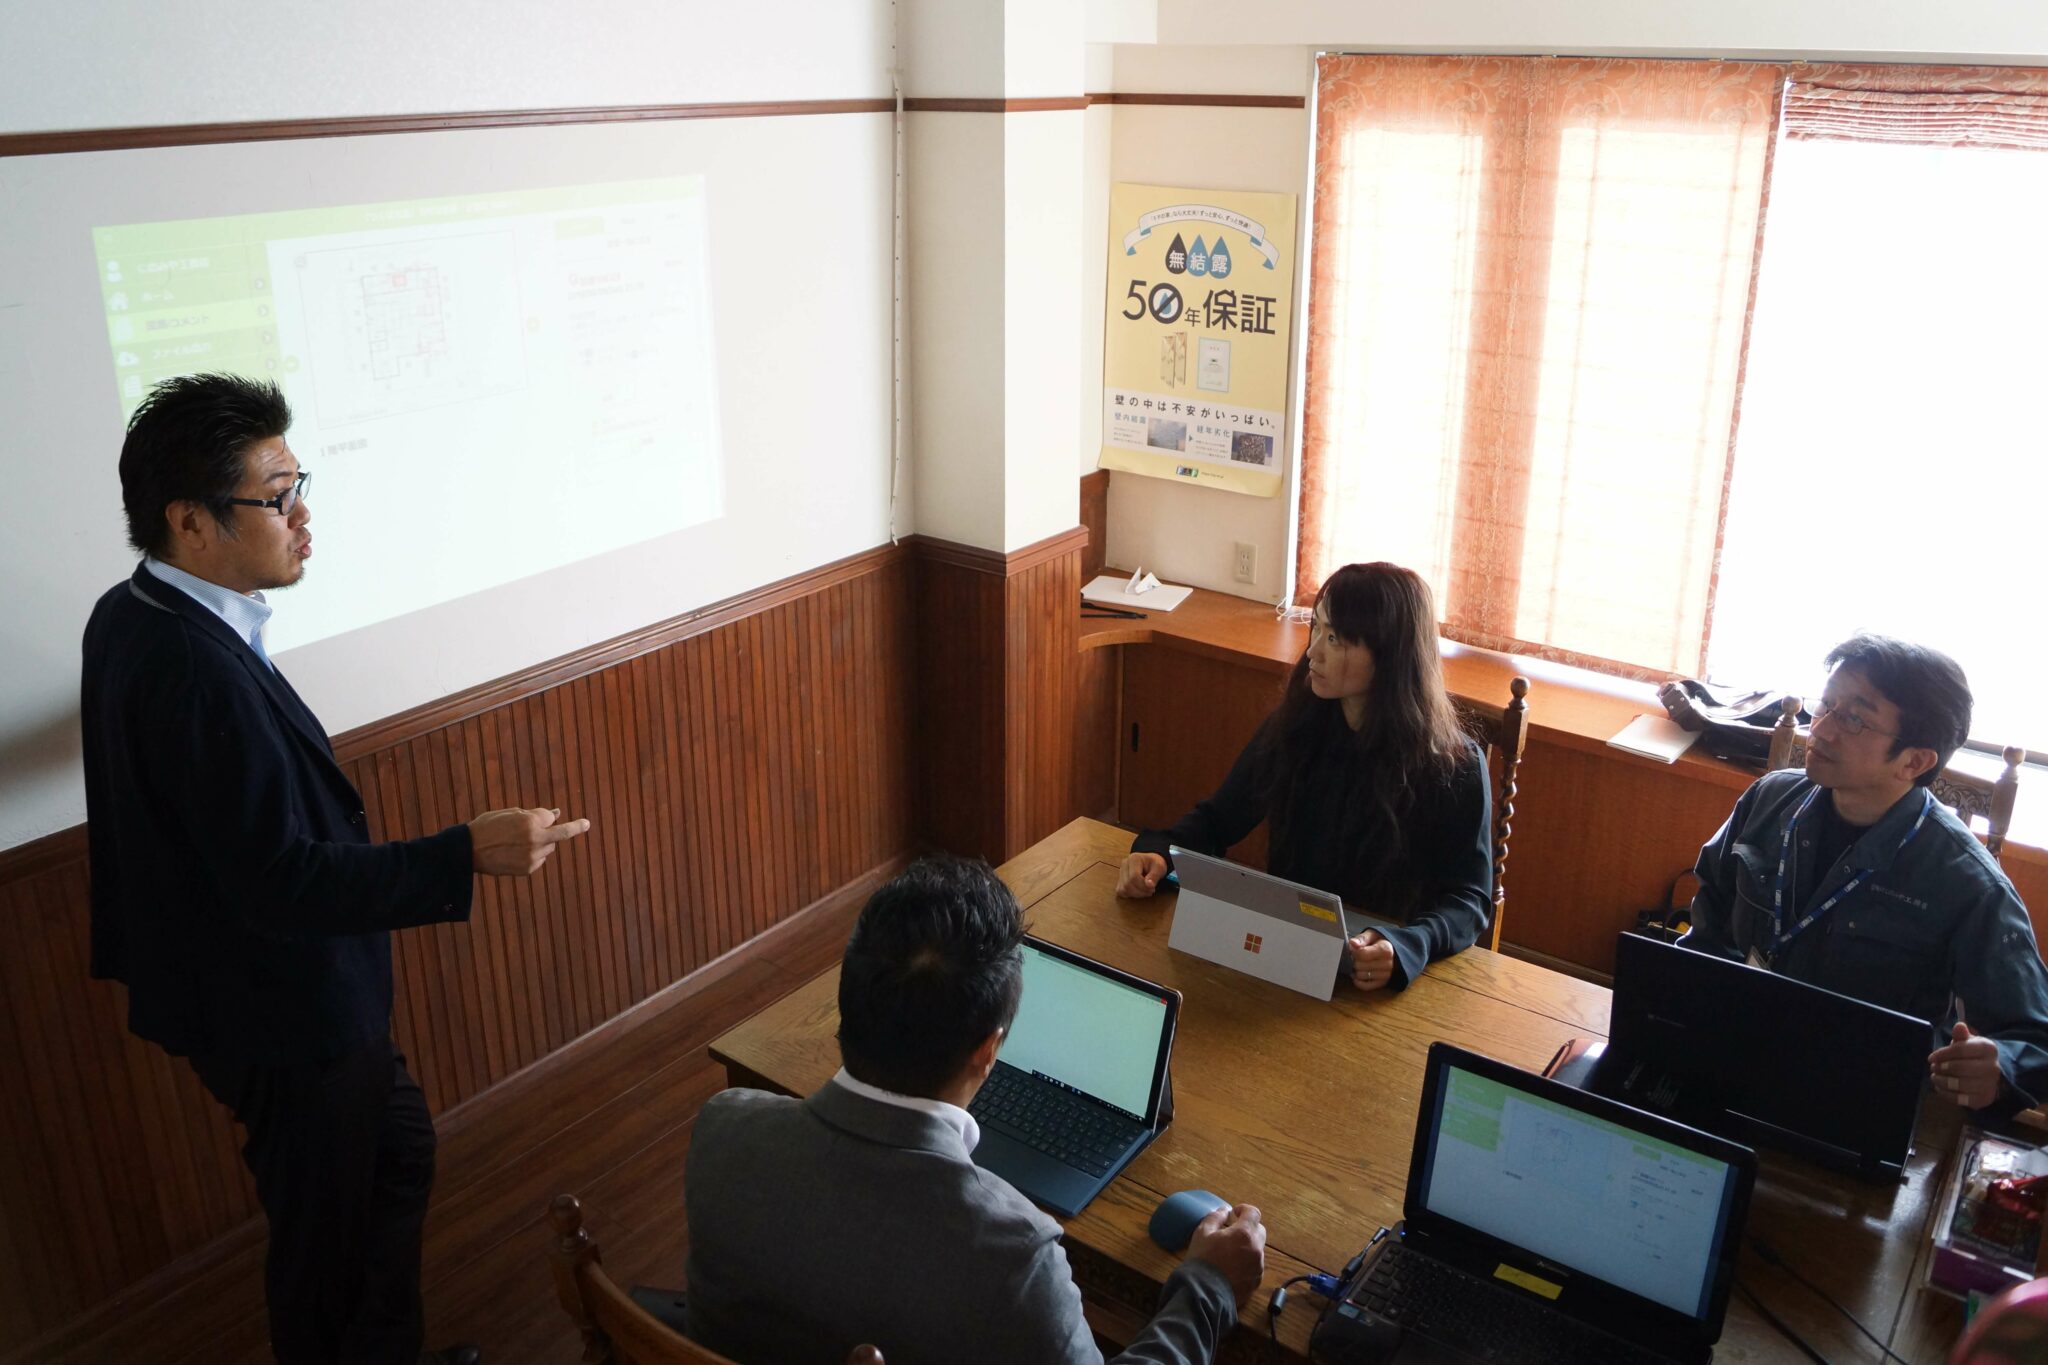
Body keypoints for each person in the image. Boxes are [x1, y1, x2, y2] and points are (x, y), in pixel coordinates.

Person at [82, 373, 592, 1365]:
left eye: (298, 484)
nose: (302, 516)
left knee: (394, 1156)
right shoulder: (192, 667)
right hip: (278, 1008)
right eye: (276, 497)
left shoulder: (133, 608)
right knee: (326, 1245)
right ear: (189, 520)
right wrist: (464, 853)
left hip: (257, 988)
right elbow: (280, 879)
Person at [683, 856, 1266, 1365]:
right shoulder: (1015, 1258)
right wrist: (1208, 1285)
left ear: (847, 1001)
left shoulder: (723, 1128)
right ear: (989, 1050)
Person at [1681, 633, 2048, 1114]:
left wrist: (1999, 1070)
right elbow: (1709, 916)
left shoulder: (1968, 883)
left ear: (1914, 761)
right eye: (1826, 705)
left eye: (1854, 719)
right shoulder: (1769, 799)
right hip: (1731, 1052)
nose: (1822, 729)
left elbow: (2036, 1039)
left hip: (1859, 1096)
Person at [1116, 562, 1492, 994]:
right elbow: (1218, 820)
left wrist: (1410, 944)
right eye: (1316, 628)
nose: (1313, 652)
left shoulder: (1455, 765)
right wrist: (1159, 853)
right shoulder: (1294, 729)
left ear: (1390, 656)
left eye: (1335, 639)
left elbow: (1469, 900)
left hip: (1378, 978)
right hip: (1287, 955)